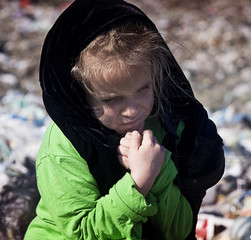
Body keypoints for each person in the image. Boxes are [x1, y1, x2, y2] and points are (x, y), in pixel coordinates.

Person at [25, 0, 225, 239]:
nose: (131, 111)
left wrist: (157, 172)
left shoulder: (167, 126)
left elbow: (180, 231)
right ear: (81, 96)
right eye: (111, 99)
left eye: (142, 90)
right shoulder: (65, 147)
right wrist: (139, 183)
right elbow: (80, 233)